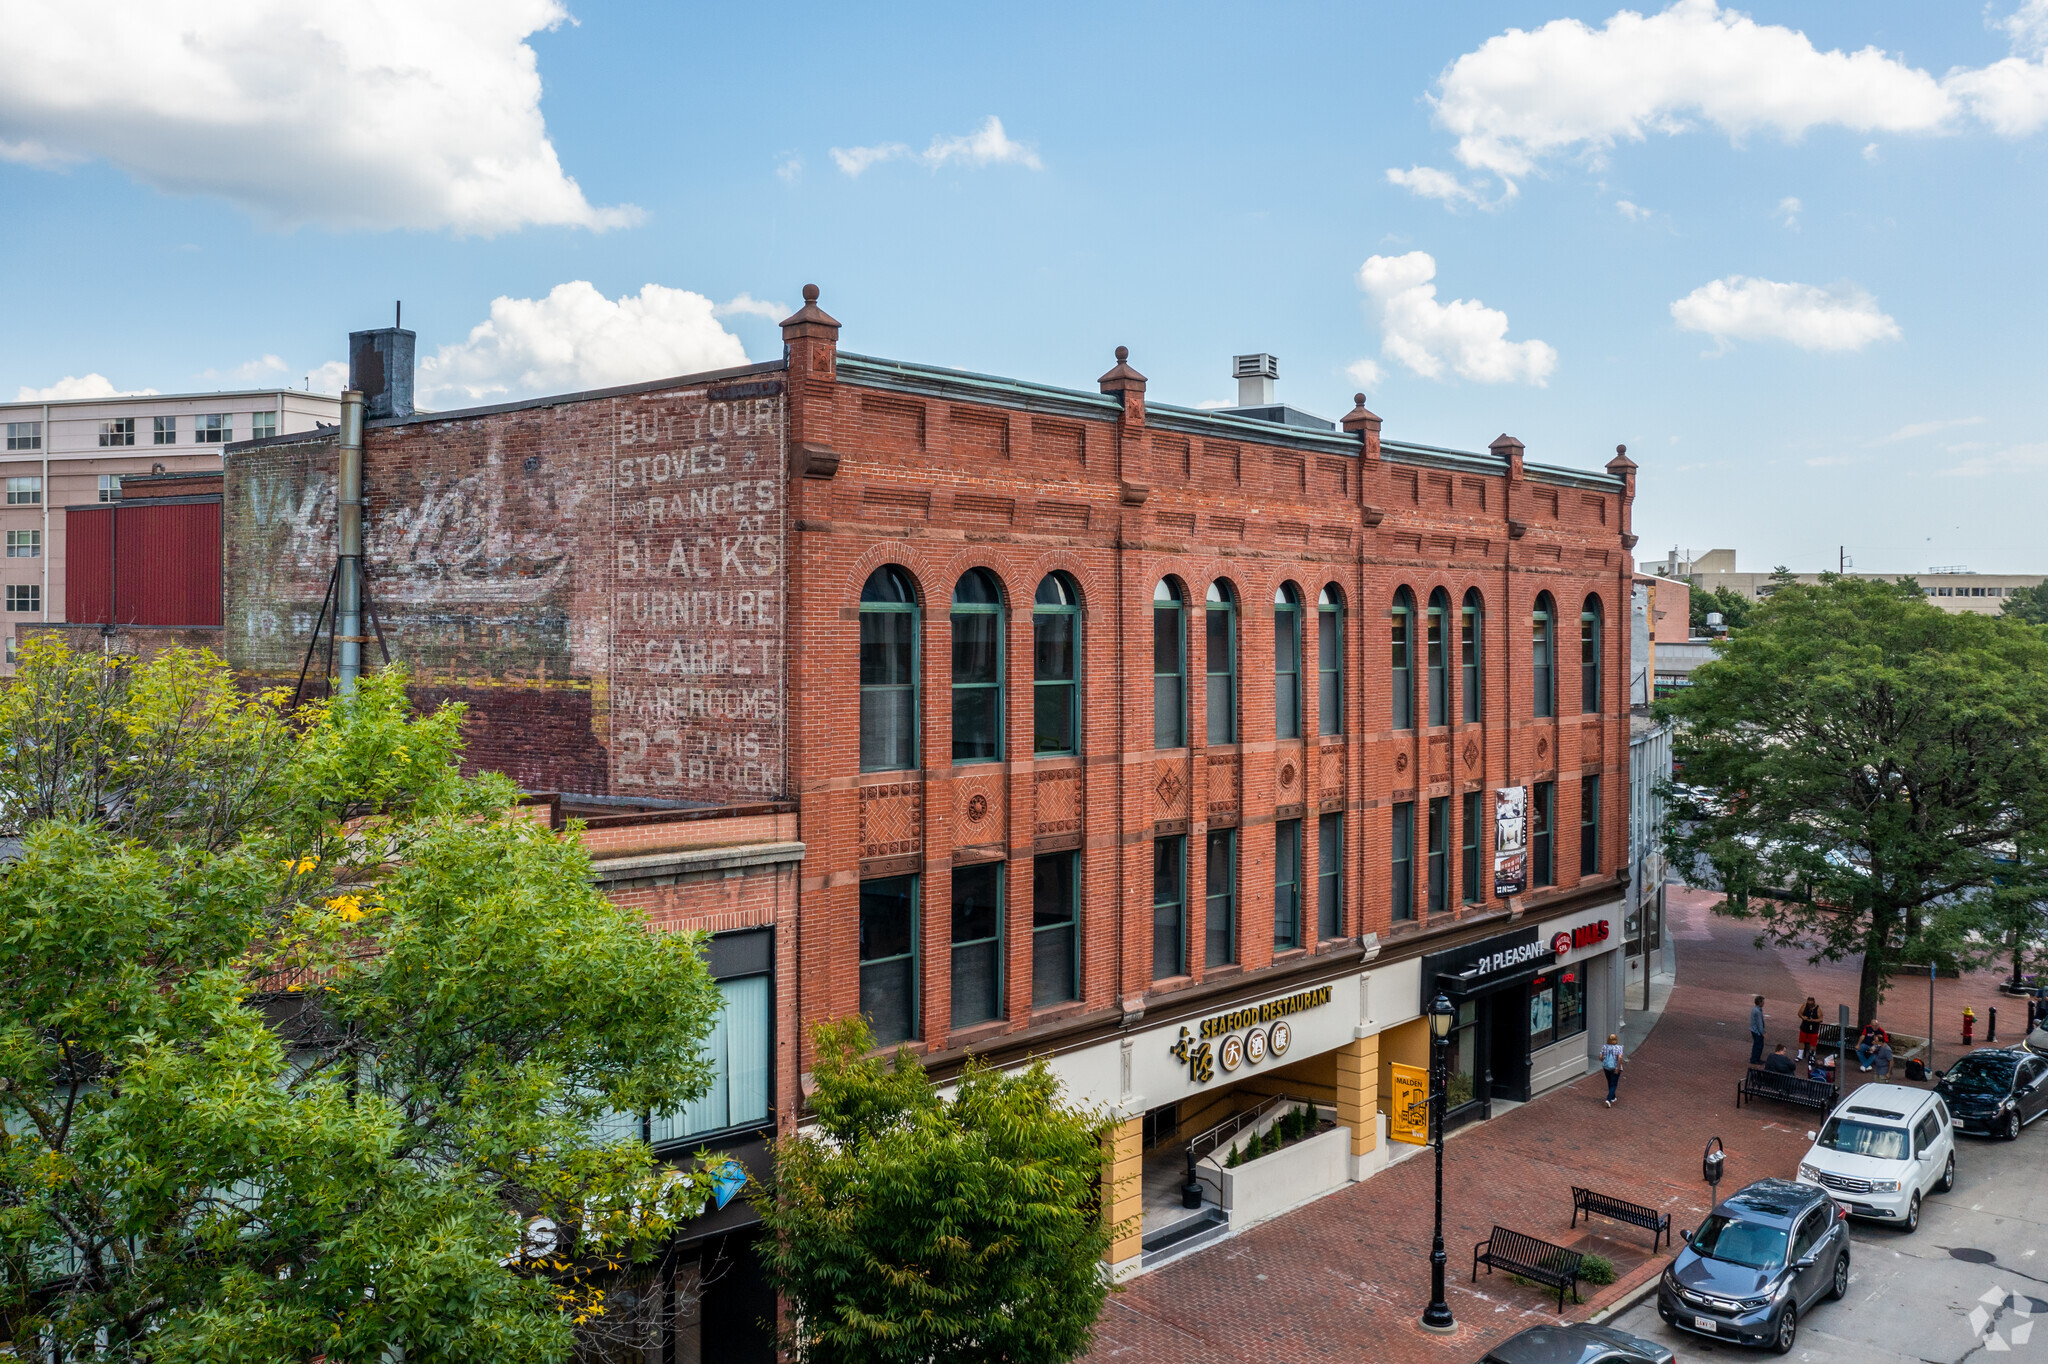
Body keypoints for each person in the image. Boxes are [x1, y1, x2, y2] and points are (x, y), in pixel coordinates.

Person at [1601, 1033, 1625, 1107]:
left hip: (1606, 1068)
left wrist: (1605, 1062)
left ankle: (1613, 1097)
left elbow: (1600, 1057)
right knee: (1614, 1084)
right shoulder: (1619, 1048)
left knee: (1609, 1081)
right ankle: (1608, 1100)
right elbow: (1620, 1058)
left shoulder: (1604, 1047)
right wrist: (1618, 1068)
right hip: (1614, 1067)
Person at [1798, 997, 1823, 1061]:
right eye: (1808, 1004)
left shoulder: (1818, 1009)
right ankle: (1800, 1055)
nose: (1809, 1006)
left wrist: (1813, 1020)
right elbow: (1799, 1013)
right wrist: (1803, 1017)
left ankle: (1812, 1056)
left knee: (1813, 1044)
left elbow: (1820, 1019)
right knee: (1801, 1041)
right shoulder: (1804, 1006)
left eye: (1811, 1004)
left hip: (1813, 1029)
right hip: (1804, 1027)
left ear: (1814, 1002)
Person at [1750, 995, 1767, 1066]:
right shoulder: (1758, 1011)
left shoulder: (1757, 1009)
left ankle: (1755, 1058)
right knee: (1758, 1045)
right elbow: (1759, 1023)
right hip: (1757, 1032)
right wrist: (1763, 1032)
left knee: (1757, 1045)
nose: (1764, 1003)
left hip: (1754, 1030)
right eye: (1763, 1002)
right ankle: (1755, 1059)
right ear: (1760, 1002)